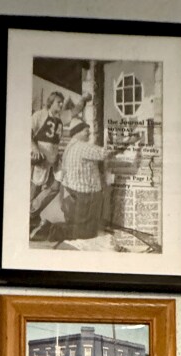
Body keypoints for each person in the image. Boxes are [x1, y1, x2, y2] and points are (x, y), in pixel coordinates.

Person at [50, 119, 144, 242]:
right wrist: (129, 142)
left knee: (83, 226)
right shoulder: (82, 146)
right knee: (86, 233)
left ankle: (54, 229)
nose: (89, 134)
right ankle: (55, 230)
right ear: (77, 132)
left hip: (72, 191)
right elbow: (105, 153)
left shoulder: (70, 145)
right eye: (86, 131)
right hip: (85, 194)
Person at [29, 91, 65, 231]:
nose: (61, 105)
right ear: (51, 102)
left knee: (55, 187)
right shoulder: (39, 115)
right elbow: (27, 132)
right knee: (34, 189)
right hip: (39, 159)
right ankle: (29, 219)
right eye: (58, 102)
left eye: (62, 102)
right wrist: (35, 149)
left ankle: (32, 212)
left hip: (52, 161)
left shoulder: (59, 120)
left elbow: (55, 142)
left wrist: (58, 155)